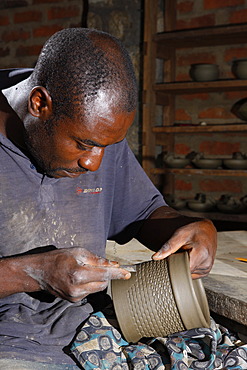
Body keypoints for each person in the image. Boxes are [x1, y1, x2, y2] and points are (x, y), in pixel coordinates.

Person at [0, 28, 217, 369]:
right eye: (83, 144)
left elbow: (144, 213)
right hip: (13, 346)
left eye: (107, 146)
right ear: (39, 104)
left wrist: (194, 230)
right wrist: (32, 273)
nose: (94, 163)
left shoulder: (95, 127)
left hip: (97, 331)